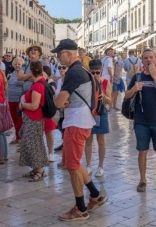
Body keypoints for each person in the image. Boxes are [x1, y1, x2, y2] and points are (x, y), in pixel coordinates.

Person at [53, 39, 107, 222]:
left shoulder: (74, 72)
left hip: (76, 122)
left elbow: (59, 102)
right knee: (72, 162)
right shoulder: (81, 69)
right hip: (80, 120)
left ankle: (80, 209)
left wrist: (58, 100)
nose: (57, 57)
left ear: (68, 53)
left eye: (59, 53)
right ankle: (95, 195)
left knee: (73, 165)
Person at [125, 49, 156, 193]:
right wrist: (134, 88)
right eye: (145, 58)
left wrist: (155, 77)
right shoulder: (138, 77)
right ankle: (142, 180)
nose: (149, 60)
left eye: (151, 57)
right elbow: (127, 95)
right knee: (142, 151)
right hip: (141, 121)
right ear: (142, 61)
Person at [19, 61, 49, 182]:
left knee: (33, 145)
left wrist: (22, 105)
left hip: (34, 119)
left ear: (31, 72)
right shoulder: (40, 83)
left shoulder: (37, 86)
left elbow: (34, 106)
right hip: (33, 118)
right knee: (31, 143)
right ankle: (36, 168)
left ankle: (40, 170)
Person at [85, 59, 112, 177]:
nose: (95, 75)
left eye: (97, 72)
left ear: (101, 71)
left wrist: (104, 96)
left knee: (101, 140)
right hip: (89, 113)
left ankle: (100, 166)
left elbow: (110, 101)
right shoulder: (87, 82)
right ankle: (88, 165)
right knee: (88, 140)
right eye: (93, 72)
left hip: (101, 112)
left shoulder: (106, 82)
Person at [7, 57, 24, 145]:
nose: (17, 66)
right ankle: (17, 137)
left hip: (19, 100)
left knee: (19, 120)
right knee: (14, 120)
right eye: (16, 64)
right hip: (11, 100)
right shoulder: (11, 74)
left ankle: (20, 138)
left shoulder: (24, 74)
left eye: (19, 64)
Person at [43, 65, 57, 162]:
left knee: (48, 132)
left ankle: (51, 152)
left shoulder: (51, 83)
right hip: (39, 110)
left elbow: (52, 90)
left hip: (47, 110)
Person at [54, 64, 68, 153]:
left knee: (65, 126)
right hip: (60, 107)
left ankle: (65, 144)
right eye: (59, 68)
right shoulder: (59, 81)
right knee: (60, 125)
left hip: (67, 106)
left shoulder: (68, 80)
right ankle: (64, 143)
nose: (61, 69)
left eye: (63, 67)